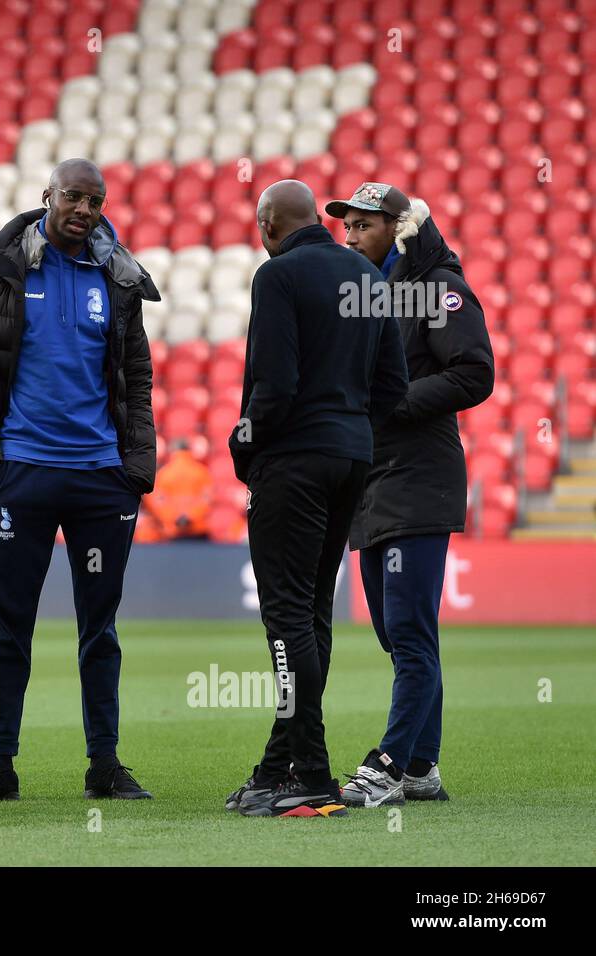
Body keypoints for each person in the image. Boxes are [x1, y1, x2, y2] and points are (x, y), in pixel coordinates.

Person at [0, 159, 160, 801]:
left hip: (102, 478)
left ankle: (104, 765)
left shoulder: (118, 277)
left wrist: (135, 469)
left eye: (95, 201)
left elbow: (138, 374)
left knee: (100, 628)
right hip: (25, 473)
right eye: (73, 197)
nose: (84, 210)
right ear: (48, 196)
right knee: (8, 624)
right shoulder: (2, 271)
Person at [225, 179, 408, 818]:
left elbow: (272, 386)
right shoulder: (368, 277)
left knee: (285, 620)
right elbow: (394, 386)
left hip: (293, 463)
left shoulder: (277, 278)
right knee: (311, 615)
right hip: (350, 459)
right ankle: (284, 766)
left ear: (269, 222)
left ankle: (309, 771)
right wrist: (350, 431)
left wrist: (243, 444)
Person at [326, 184, 494, 807]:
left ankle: (391, 765)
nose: (350, 236)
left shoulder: (439, 285)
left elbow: (475, 371)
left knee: (409, 632)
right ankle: (422, 767)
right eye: (345, 226)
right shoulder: (367, 294)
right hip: (373, 480)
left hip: (418, 479)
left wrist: (394, 405)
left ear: (398, 229)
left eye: (363, 225)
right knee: (400, 637)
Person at [144, 438, 213, 539]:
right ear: (189, 450)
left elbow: (158, 501)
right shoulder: (202, 472)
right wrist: (190, 517)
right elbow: (207, 499)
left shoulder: (164, 474)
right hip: (198, 531)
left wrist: (174, 518)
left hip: (172, 531)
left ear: (172, 451)